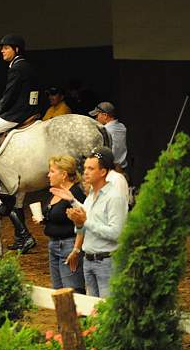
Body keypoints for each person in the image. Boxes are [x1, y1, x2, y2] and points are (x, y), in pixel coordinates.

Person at [63, 146, 128, 298]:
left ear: (103, 172)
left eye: (91, 168)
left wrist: (84, 221)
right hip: (89, 260)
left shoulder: (115, 197)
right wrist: (76, 215)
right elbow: (85, 226)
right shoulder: (91, 196)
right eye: (85, 168)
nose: (85, 172)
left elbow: (116, 233)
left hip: (107, 262)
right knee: (92, 312)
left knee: (106, 312)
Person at [0, 34, 39, 152]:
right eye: (2, 48)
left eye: (6, 48)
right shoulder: (26, 65)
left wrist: (0, 108)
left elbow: (11, 94)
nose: (2, 51)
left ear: (16, 49)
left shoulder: (17, 68)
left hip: (19, 113)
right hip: (31, 109)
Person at [36, 155, 86, 292]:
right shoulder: (56, 192)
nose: (48, 175)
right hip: (53, 244)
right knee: (58, 291)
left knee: (72, 291)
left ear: (63, 174)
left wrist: (76, 249)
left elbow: (82, 221)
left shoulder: (75, 194)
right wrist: (44, 220)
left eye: (52, 171)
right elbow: (58, 216)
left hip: (69, 244)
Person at [89, 102, 128, 172]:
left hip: (111, 170)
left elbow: (100, 153)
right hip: (123, 168)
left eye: (97, 115)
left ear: (105, 115)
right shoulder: (122, 127)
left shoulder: (104, 131)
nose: (96, 118)